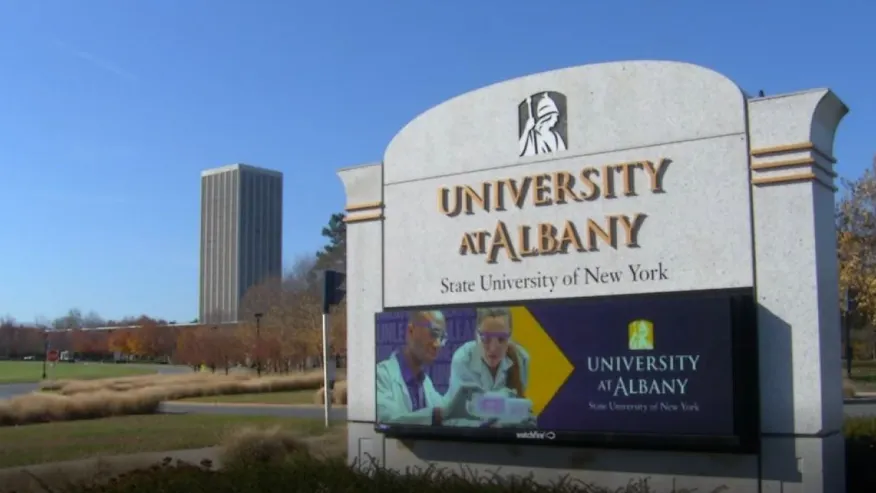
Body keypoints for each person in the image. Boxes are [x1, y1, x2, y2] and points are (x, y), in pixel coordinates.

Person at [375, 310, 479, 426]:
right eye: (434, 333)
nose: (438, 344)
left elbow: (447, 415)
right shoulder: (381, 375)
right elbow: (387, 421)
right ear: (411, 331)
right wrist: (439, 415)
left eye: (442, 338)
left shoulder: (425, 384)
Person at [447, 307, 535, 427]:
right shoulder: (463, 359)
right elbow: (460, 416)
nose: (493, 348)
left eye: (501, 339)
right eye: (485, 338)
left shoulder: (521, 359)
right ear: (476, 335)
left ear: (510, 336)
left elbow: (518, 408)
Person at [519, 92, 567, 157]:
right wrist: (527, 129)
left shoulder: (556, 136)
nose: (556, 119)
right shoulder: (532, 136)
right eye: (555, 116)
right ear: (547, 117)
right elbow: (520, 151)